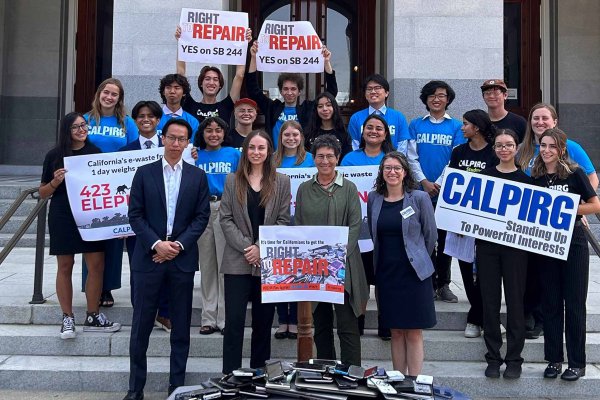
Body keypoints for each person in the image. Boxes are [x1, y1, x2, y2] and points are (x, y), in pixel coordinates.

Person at [124, 119, 210, 400]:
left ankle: (177, 386)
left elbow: (201, 217)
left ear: (188, 143)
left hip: (181, 260)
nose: (176, 144)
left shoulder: (197, 176)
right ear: (162, 139)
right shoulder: (144, 173)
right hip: (148, 259)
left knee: (181, 327)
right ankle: (136, 389)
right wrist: (157, 244)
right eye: (171, 138)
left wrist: (178, 245)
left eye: (181, 139)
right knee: (141, 326)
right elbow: (135, 215)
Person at [517, 102, 598, 340]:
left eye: (545, 118)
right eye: (535, 119)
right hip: (530, 226)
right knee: (534, 273)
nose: (540, 123)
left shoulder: (571, 146)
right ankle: (534, 317)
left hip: (564, 228)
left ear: (555, 122)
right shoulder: (523, 149)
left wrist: (575, 209)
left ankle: (548, 324)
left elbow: (591, 179)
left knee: (562, 282)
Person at [40, 112, 121, 339]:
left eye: (84, 126)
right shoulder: (54, 156)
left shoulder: (95, 153)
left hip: (91, 214)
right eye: (76, 127)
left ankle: (93, 314)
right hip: (63, 214)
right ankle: (67, 317)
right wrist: (55, 181)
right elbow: (43, 192)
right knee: (65, 265)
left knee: (96, 265)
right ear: (67, 131)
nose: (81, 130)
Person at [530, 128, 600, 381]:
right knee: (550, 303)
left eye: (552, 146)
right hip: (546, 245)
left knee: (574, 304)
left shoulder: (574, 174)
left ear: (561, 150)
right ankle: (554, 360)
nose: (546, 150)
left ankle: (577, 362)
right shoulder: (536, 177)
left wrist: (567, 208)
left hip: (574, 243)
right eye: (543, 145)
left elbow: (595, 204)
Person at [219, 130, 291, 374]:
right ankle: (230, 376)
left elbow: (283, 219)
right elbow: (225, 219)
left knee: (263, 323)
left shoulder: (281, 181)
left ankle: (259, 376)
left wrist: (261, 247)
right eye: (252, 148)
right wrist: (248, 248)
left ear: (269, 151)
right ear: (245, 151)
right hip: (237, 261)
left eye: (261, 148)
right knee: (234, 323)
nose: (256, 152)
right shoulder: (232, 180)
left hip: (267, 262)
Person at [295, 135, 370, 366]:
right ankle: (326, 373)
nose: (325, 161)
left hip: (343, 267)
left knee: (347, 325)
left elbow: (355, 226)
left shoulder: (349, 188)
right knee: (321, 324)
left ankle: (351, 375)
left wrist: (334, 259)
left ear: (338, 158)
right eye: (320, 156)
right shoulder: (304, 189)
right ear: (313, 159)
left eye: (330, 156)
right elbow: (299, 226)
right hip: (314, 269)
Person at [367, 151, 437, 375]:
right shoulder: (374, 198)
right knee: (395, 331)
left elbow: (430, 235)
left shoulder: (419, 198)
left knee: (413, 331)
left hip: (414, 274)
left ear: (405, 172)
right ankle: (399, 379)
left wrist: (418, 259)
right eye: (387, 168)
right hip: (387, 273)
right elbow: (373, 233)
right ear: (382, 172)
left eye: (397, 168)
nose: (392, 172)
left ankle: (414, 381)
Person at [477, 129, 532, 380]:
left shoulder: (527, 180)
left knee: (515, 302)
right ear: (494, 149)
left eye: (509, 145)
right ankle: (493, 357)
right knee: (489, 303)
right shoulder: (483, 177)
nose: (504, 149)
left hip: (515, 250)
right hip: (487, 248)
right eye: (499, 145)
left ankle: (514, 359)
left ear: (516, 148)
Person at [83, 77, 139, 307]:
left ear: (119, 99)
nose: (109, 97)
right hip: (91, 188)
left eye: (114, 94)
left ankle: (107, 288)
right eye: (106, 92)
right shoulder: (86, 120)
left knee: (115, 239)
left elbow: (136, 153)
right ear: (99, 94)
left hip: (117, 189)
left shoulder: (127, 123)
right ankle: (91, 286)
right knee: (94, 238)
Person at [409, 80, 464, 304]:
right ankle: (428, 283)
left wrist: (438, 182)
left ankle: (444, 284)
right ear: (425, 99)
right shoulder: (415, 124)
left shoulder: (457, 127)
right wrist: (423, 181)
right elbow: (410, 156)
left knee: (445, 239)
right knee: (423, 238)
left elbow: (456, 158)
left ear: (448, 99)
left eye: (441, 95)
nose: (436, 99)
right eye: (431, 95)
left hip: (445, 191)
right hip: (420, 191)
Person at [443, 109, 497, 338]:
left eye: (465, 124)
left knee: (486, 273)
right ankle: (481, 317)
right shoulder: (458, 152)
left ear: (477, 127)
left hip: (487, 223)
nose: (462, 127)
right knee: (466, 270)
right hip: (461, 222)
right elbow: (451, 185)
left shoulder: (494, 153)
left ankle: (477, 318)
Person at [119, 101, 172, 332]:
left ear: (159, 120)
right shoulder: (123, 153)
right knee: (138, 269)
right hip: (138, 223)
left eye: (151, 115)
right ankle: (142, 313)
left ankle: (165, 313)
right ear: (135, 120)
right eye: (141, 116)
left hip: (167, 221)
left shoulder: (171, 148)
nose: (146, 119)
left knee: (166, 270)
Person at [193, 116, 241, 335]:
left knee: (224, 265)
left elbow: (241, 182)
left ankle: (223, 318)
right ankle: (208, 317)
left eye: (218, 130)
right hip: (202, 208)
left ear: (224, 133)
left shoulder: (233, 154)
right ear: (202, 134)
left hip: (225, 207)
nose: (213, 134)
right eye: (209, 130)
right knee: (207, 265)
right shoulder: (194, 155)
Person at [246, 41, 338, 148]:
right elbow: (253, 90)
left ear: (299, 92)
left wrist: (326, 62)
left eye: (293, 89)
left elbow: (331, 92)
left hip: (301, 161)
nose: (289, 92)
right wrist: (253, 57)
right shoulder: (272, 108)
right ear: (280, 91)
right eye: (285, 89)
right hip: (275, 161)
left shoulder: (307, 109)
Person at [271, 120, 313, 340]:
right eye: (286, 134)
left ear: (301, 137)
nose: (291, 138)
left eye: (295, 134)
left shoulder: (310, 160)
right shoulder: (272, 160)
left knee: (299, 272)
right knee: (280, 272)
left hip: (302, 222)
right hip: (278, 222)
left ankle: (296, 320)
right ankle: (282, 320)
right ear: (281, 137)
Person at [175, 27, 251, 125]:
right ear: (201, 83)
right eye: (207, 79)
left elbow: (239, 75)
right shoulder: (190, 105)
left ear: (220, 85)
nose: (211, 82)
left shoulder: (226, 106)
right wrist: (181, 42)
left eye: (215, 79)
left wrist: (244, 45)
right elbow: (180, 74)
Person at [347, 74, 410, 152]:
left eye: (377, 88)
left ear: (386, 93)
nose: (373, 91)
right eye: (369, 89)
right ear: (365, 94)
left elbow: (403, 146)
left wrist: (395, 162)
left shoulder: (398, 117)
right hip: (363, 163)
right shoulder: (356, 118)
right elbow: (354, 146)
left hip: (392, 162)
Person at [304, 92, 352, 158]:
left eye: (328, 105)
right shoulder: (309, 132)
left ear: (334, 108)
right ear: (316, 110)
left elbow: (347, 158)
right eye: (320, 106)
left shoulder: (343, 133)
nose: (325, 109)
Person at [480, 79, 527, 143]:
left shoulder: (519, 122)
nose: (491, 96)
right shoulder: (479, 122)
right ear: (483, 97)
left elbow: (526, 148)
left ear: (505, 95)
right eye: (487, 93)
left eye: (496, 93)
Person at [156, 73, 200, 141]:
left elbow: (193, 146)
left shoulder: (192, 121)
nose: (172, 91)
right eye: (168, 87)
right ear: (163, 92)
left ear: (184, 93)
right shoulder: (154, 118)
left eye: (177, 88)